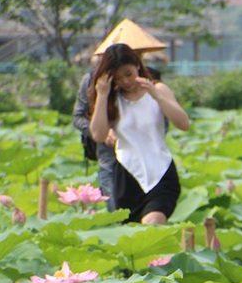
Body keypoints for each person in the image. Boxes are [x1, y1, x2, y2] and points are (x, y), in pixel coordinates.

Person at [88, 43, 189, 224]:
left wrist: (156, 95)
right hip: (128, 175)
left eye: (128, 74)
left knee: (153, 222)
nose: (125, 82)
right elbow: (98, 135)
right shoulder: (113, 100)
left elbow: (183, 123)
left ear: (137, 65)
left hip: (161, 169)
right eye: (118, 78)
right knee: (136, 239)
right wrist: (102, 96)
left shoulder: (158, 90)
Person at [73, 63, 118, 211]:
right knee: (117, 216)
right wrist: (101, 133)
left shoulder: (144, 82)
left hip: (141, 162)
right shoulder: (91, 81)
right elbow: (78, 118)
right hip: (109, 162)